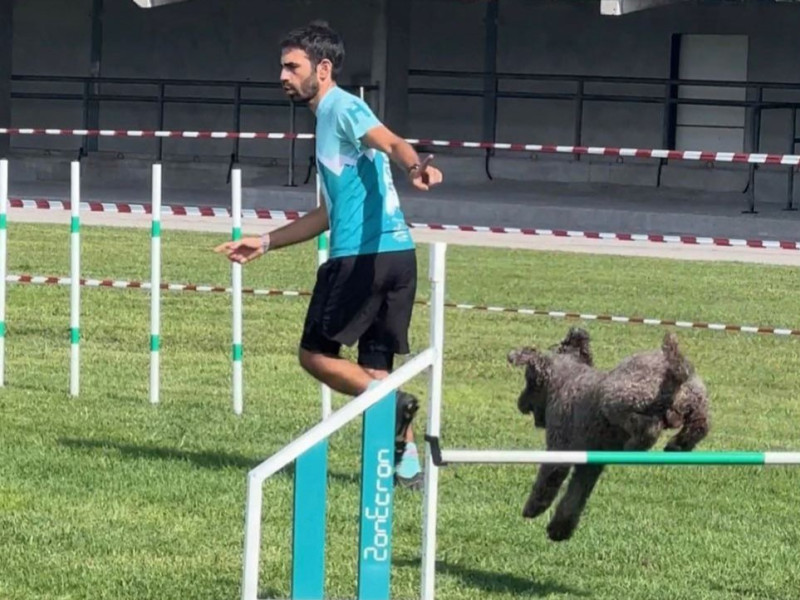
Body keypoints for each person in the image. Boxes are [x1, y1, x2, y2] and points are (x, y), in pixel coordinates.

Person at [215, 20, 443, 489]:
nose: (283, 75)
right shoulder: (329, 123)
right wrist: (265, 242)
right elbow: (327, 212)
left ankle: (393, 402)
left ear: (322, 68)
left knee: (315, 355)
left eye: (291, 66)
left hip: (362, 258)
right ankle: (406, 469)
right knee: (374, 366)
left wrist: (415, 164)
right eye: (282, 66)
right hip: (398, 258)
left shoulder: (342, 107)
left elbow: (392, 140)